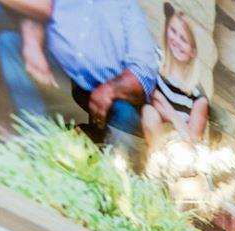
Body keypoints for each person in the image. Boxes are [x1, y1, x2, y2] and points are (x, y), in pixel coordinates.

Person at [38, 0, 158, 145]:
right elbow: (33, 11)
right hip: (54, 74)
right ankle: (29, 145)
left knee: (126, 114)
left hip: (103, 98)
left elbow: (144, 73)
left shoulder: (127, 7)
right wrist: (31, 42)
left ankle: (113, 166)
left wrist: (110, 90)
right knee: (9, 43)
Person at [141, 4, 206, 147]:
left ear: (193, 52)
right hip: (148, 134)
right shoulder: (155, 58)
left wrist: (165, 106)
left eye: (183, 39)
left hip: (177, 152)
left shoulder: (197, 96)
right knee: (149, 111)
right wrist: (180, 124)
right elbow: (151, 96)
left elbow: (192, 140)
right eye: (173, 31)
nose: (176, 40)